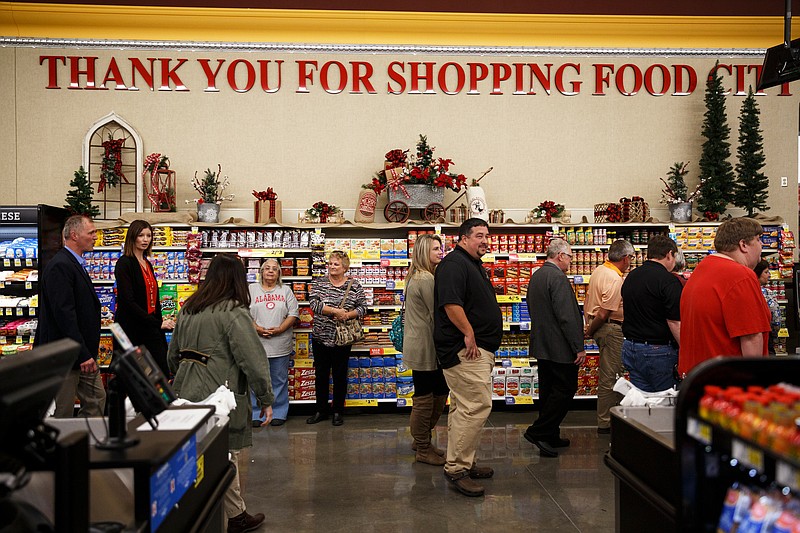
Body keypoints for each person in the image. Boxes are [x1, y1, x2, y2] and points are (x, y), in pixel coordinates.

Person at [167, 254, 273, 533]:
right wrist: (265, 398)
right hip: (220, 394)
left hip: (185, 391)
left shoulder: (189, 308)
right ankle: (232, 518)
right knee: (226, 454)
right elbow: (253, 360)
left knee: (198, 455)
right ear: (238, 279)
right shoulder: (234, 312)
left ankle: (233, 514)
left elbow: (172, 355)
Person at [434, 218, 502, 497]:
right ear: (463, 238)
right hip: (464, 350)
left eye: (487, 235)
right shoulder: (454, 264)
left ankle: (464, 460)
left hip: (474, 349)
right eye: (478, 235)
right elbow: (451, 303)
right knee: (476, 405)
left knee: (463, 408)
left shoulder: (471, 263)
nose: (485, 240)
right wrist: (469, 333)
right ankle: (457, 468)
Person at [679, 218, 771, 377]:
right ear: (743, 245)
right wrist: (756, 383)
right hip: (728, 382)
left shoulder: (702, 270)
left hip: (698, 377)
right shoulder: (741, 276)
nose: (762, 245)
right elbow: (751, 338)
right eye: (758, 239)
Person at [38, 214, 106, 418]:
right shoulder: (61, 266)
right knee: (64, 410)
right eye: (91, 232)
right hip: (67, 355)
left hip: (82, 353)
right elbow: (64, 316)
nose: (95, 236)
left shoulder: (75, 263)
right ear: (74, 235)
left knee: (97, 398)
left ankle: (84, 444)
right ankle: (63, 448)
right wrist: (82, 353)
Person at [523, 239, 586, 458]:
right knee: (566, 389)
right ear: (560, 255)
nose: (570, 261)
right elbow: (567, 316)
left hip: (542, 343)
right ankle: (538, 431)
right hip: (560, 346)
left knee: (548, 392)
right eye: (569, 256)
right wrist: (578, 347)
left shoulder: (537, 275)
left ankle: (550, 434)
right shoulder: (558, 278)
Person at [307, 250, 367, 426]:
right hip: (320, 337)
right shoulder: (319, 283)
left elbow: (363, 308)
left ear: (345, 268)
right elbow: (314, 304)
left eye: (336, 264)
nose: (332, 267)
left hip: (342, 339)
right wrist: (335, 311)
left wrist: (348, 315)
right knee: (321, 375)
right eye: (330, 264)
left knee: (340, 375)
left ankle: (338, 411)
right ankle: (321, 410)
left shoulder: (354, 286)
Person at [403, 234, 448, 466]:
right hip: (425, 347)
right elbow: (437, 314)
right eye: (436, 249)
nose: (441, 252)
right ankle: (422, 446)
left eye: (441, 248)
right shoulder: (426, 279)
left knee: (437, 393)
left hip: (422, 345)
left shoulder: (419, 276)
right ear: (423, 252)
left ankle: (422, 439)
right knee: (425, 398)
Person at [620, 235, 683, 392]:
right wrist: (686, 348)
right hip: (659, 352)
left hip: (631, 348)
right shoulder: (668, 280)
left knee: (642, 403)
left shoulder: (631, 276)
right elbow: (674, 322)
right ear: (669, 254)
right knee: (665, 403)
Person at [114, 220, 175, 376]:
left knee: (161, 370)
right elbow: (128, 301)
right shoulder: (124, 263)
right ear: (132, 237)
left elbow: (154, 298)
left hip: (150, 326)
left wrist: (159, 323)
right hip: (132, 329)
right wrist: (157, 323)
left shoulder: (147, 263)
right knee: (134, 376)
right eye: (141, 235)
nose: (145, 239)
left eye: (148, 235)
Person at [584, 239, 633, 434]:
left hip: (603, 328)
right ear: (625, 258)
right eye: (631, 257)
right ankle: (605, 422)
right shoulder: (614, 278)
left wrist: (589, 326)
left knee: (610, 374)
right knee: (610, 376)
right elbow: (604, 313)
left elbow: (588, 301)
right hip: (611, 330)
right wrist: (589, 331)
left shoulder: (598, 270)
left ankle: (609, 418)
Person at [249, 258, 299, 427]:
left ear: (279, 273)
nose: (270, 271)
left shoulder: (286, 291)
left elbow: (293, 314)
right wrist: (257, 328)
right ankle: (257, 413)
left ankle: (278, 411)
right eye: (267, 268)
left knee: (279, 379)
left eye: (274, 269)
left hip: (280, 343)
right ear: (261, 272)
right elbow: (242, 313)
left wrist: (279, 329)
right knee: (255, 379)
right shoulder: (250, 290)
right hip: (255, 344)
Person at [754, 260, 781, 355]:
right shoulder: (767, 293)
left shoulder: (745, 290)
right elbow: (776, 320)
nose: (769, 275)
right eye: (766, 272)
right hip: (766, 337)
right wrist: (774, 336)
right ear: (757, 274)